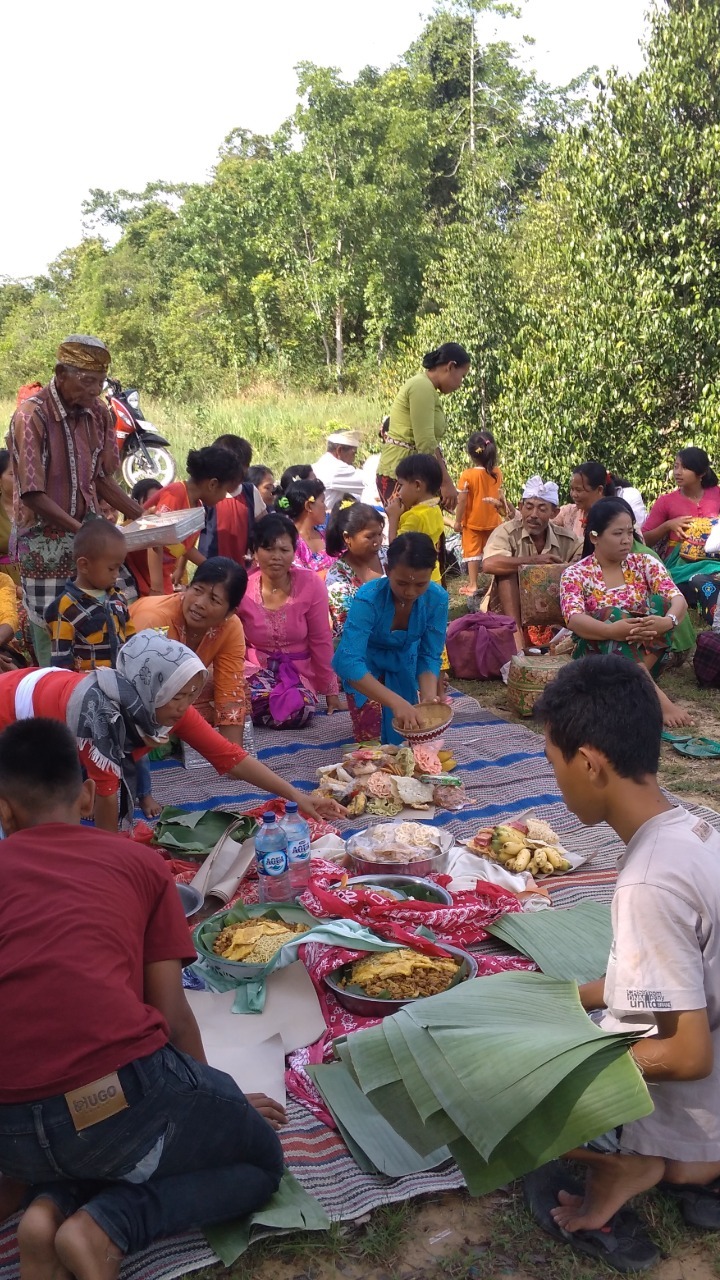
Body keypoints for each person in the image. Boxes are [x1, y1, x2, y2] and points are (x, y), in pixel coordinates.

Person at [0, 717, 287, 1278]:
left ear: (4, 811)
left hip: (9, 1137)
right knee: (260, 1161)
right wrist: (218, 1103)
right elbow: (170, 1013)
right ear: (85, 793)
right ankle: (107, 1226)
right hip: (117, 1101)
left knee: (79, 1128)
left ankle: (47, 1209)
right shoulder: (137, 863)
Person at [526, 655, 720, 1271]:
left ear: (588, 762)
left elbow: (687, 1055)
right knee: (690, 1166)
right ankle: (690, 1164)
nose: (556, 780)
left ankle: (630, 1160)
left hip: (701, 1060)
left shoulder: (646, 885)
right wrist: (564, 998)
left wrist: (565, 1072)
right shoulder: (692, 829)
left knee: (521, 1094)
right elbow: (674, 973)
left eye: (555, 764)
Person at [0, 631, 344, 832]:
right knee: (21, 812)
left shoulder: (160, 705)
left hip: (43, 701)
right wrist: (111, 863)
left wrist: (298, 796)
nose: (185, 705)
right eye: (178, 695)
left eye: (191, 693)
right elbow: (106, 796)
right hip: (8, 708)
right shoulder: (100, 718)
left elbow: (232, 758)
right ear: (150, 688)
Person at [8, 335, 143, 666]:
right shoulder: (31, 416)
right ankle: (54, 700)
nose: (95, 391)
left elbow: (100, 478)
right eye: (87, 381)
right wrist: (80, 531)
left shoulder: (96, 412)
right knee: (55, 631)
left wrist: (145, 515)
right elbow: (32, 492)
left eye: (100, 382)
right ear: (60, 373)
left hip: (87, 534)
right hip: (43, 544)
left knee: (116, 608)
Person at [560, 498, 691, 728]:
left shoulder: (643, 562)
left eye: (630, 532)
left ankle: (630, 681)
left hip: (647, 651)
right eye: (618, 533)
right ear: (594, 537)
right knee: (612, 614)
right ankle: (655, 698)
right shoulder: (575, 573)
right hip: (596, 655)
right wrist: (612, 629)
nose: (626, 540)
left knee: (660, 604)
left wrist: (667, 622)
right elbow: (574, 619)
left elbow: (677, 599)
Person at [333, 532, 448, 744]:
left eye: (421, 584)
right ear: (387, 570)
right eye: (402, 583)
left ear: (431, 574)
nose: (411, 592)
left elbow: (430, 654)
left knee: (411, 737)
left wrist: (429, 698)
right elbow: (348, 661)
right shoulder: (369, 597)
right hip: (364, 670)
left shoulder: (437, 599)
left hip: (404, 666)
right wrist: (396, 702)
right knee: (372, 746)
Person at [239, 514, 342, 728]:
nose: (276, 556)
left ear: (294, 552)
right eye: (268, 549)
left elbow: (321, 640)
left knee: (299, 710)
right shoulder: (242, 587)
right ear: (255, 552)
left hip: (300, 673)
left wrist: (331, 692)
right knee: (250, 700)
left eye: (284, 550)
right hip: (255, 672)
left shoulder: (311, 584)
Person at [131, 557, 248, 740]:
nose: (199, 603)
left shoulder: (231, 626)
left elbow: (230, 689)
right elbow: (133, 687)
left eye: (214, 600)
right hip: (140, 697)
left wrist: (234, 757)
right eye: (197, 590)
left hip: (177, 694)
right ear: (186, 587)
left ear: (230, 612)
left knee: (239, 694)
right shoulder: (154, 620)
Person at [482, 476, 583, 652]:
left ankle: (556, 640)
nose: (533, 515)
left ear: (554, 513)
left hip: (552, 612)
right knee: (507, 573)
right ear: (521, 507)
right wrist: (533, 562)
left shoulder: (567, 539)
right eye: (529, 507)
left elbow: (584, 561)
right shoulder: (506, 532)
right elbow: (489, 564)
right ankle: (518, 643)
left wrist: (565, 568)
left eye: (542, 509)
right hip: (512, 609)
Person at [377, 342, 471, 511]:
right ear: (450, 367)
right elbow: (426, 442)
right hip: (402, 474)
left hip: (415, 473)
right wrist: (445, 481)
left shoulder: (427, 388)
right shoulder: (422, 386)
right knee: (412, 532)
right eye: (462, 376)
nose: (460, 383)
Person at [145, 446, 243, 594]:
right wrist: (156, 589)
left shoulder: (197, 506)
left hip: (159, 575)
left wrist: (214, 568)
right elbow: (154, 537)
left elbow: (185, 546)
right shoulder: (176, 495)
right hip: (144, 574)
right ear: (213, 484)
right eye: (226, 491)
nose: (225, 497)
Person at [45, 520, 135, 671]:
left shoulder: (117, 598)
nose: (116, 575)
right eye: (112, 568)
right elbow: (61, 660)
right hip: (86, 686)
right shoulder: (65, 608)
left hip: (120, 679)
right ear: (84, 565)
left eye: (119, 567)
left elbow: (131, 637)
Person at [642, 447, 720, 590]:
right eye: (676, 466)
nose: (677, 472)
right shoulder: (666, 501)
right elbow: (642, 539)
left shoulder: (717, 494)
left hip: (715, 562)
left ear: (701, 472)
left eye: (684, 468)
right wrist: (667, 526)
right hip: (679, 567)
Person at [452, 430, 510, 596]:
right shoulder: (497, 472)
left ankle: (473, 584)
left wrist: (457, 521)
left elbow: (461, 501)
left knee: (472, 552)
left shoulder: (467, 475)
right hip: (493, 520)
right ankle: (494, 584)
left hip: (473, 521)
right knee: (493, 550)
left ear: (471, 454)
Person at [325, 500, 385, 638]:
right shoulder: (338, 578)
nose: (377, 542)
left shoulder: (389, 557)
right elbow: (349, 628)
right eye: (369, 537)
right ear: (347, 537)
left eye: (380, 534)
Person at [387, 453, 445, 585]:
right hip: (433, 576)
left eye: (401, 485)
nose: (399, 492)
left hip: (415, 581)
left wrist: (393, 518)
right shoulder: (435, 509)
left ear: (418, 485)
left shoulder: (415, 517)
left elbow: (396, 548)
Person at [555, 462, 647, 542]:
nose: (574, 494)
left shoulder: (620, 515)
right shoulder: (569, 512)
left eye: (579, 490)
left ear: (599, 490)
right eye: (572, 489)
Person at [276, 478, 335, 575]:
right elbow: (300, 578)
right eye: (322, 501)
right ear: (309, 506)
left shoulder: (326, 532)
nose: (325, 507)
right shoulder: (290, 542)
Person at [312, 429, 364, 511]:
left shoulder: (324, 463)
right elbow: (370, 482)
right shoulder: (337, 469)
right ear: (339, 450)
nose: (354, 459)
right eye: (353, 453)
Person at [0, 449, 19, 585]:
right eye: (12, 474)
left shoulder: (35, 507)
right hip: (5, 585)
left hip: (36, 581)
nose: (19, 479)